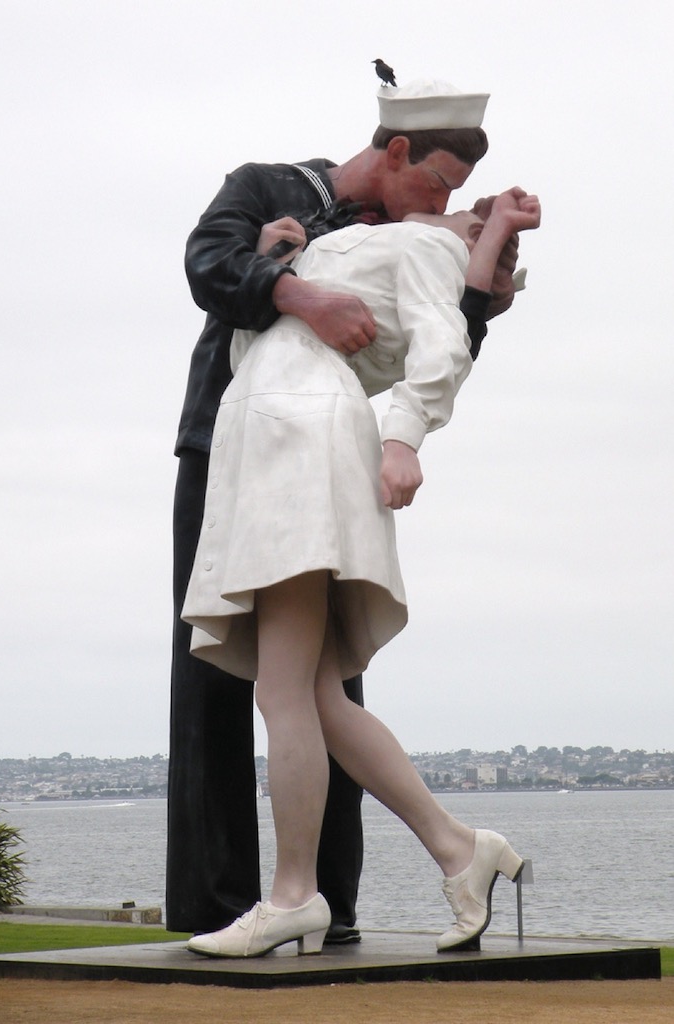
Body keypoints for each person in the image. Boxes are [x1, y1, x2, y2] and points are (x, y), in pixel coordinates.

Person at [168, 78, 521, 940]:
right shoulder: (281, 197)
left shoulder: (417, 245)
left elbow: (447, 340)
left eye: (457, 204)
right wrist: (282, 267)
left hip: (299, 441)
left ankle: (303, 897)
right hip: (250, 444)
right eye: (437, 187)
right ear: (395, 152)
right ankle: (456, 848)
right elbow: (212, 270)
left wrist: (404, 436)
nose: (442, 206)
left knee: (286, 687)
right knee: (312, 692)